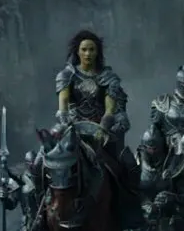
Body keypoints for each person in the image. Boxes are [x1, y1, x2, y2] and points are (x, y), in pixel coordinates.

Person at [50, 29, 141, 217]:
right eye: (84, 49)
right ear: (77, 51)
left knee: (128, 164)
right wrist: (68, 124)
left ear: (97, 52)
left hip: (101, 131)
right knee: (39, 162)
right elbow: (63, 105)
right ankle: (35, 215)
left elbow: (110, 109)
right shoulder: (67, 75)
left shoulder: (107, 77)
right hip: (72, 129)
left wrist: (103, 128)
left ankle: (131, 214)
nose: (88, 54)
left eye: (92, 49)